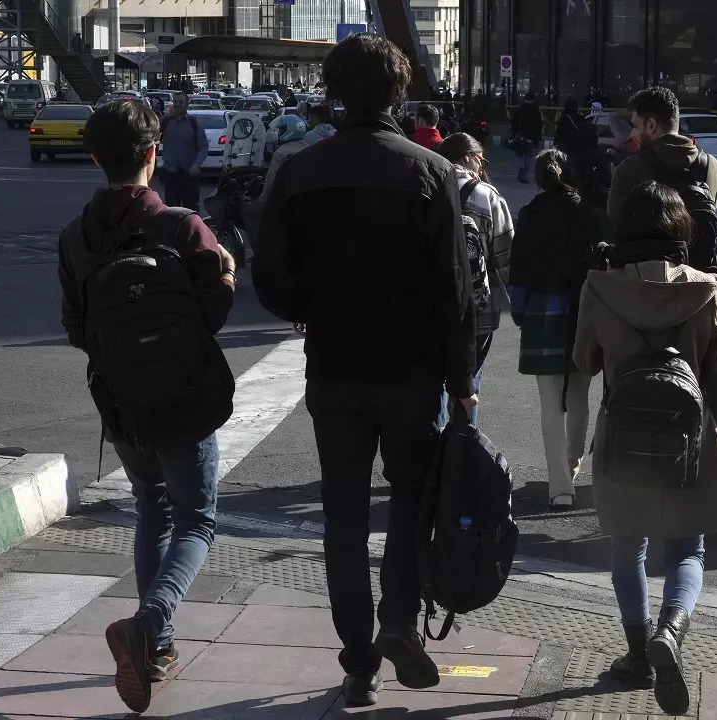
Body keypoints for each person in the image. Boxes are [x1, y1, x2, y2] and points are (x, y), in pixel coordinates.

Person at [252, 33, 477, 708]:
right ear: (399, 92)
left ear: (334, 92)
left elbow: (271, 274)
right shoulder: (430, 171)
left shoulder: (299, 169)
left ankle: (357, 662)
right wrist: (463, 379)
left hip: (336, 366)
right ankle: (399, 622)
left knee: (343, 514)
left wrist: (306, 306)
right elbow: (456, 291)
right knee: (409, 497)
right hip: (413, 369)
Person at [58, 100, 236, 713]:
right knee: (196, 519)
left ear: (94, 157)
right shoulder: (183, 227)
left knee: (151, 508)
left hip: (122, 399)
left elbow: (76, 328)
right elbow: (214, 313)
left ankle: (155, 647)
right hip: (185, 396)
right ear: (154, 154)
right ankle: (149, 622)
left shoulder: (76, 236)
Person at [574, 181, 717, 717]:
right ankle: (671, 631)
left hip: (622, 438)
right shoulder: (704, 290)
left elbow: (584, 362)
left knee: (629, 549)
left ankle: (636, 655)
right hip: (689, 439)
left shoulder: (599, 288)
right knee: (688, 549)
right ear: (681, 231)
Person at [509, 149, 611, 510]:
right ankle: (572, 463)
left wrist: (520, 312)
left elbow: (517, 271)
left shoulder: (530, 214)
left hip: (541, 313)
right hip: (582, 314)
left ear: (538, 179)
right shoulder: (589, 214)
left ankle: (560, 487)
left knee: (550, 405)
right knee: (579, 396)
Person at [432, 132, 514, 427]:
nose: (482, 166)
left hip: (432, 308)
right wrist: (518, 304)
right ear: (468, 156)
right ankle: (462, 453)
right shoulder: (486, 196)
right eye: (481, 160)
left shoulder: (428, 188)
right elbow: (506, 257)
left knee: (436, 383)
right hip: (478, 311)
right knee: (469, 382)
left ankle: (436, 455)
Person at [607, 87, 717, 230]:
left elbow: (617, 225)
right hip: (703, 252)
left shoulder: (630, 168)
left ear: (651, 125)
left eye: (635, 126)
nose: (632, 134)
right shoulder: (711, 164)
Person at [260, 104, 338, 202]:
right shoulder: (335, 133)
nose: (308, 121)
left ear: (317, 119)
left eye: (310, 118)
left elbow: (271, 183)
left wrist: (261, 202)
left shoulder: (286, 150)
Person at [159, 93, 208, 210]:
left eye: (181, 102)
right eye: (175, 102)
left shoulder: (194, 123)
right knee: (172, 211)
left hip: (189, 174)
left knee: (190, 210)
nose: (178, 105)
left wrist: (196, 165)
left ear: (186, 104)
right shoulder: (165, 122)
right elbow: (151, 136)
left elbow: (204, 147)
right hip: (170, 173)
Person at [567, 122, 614, 209]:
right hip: (597, 203)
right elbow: (607, 180)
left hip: (575, 203)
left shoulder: (571, 158)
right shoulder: (600, 155)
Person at [511, 92, 544, 183]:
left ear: (524, 99)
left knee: (520, 154)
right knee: (529, 157)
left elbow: (513, 123)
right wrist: (537, 138)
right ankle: (523, 175)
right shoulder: (536, 110)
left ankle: (520, 170)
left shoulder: (519, 109)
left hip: (520, 136)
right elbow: (539, 125)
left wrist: (515, 134)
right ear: (533, 100)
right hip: (531, 138)